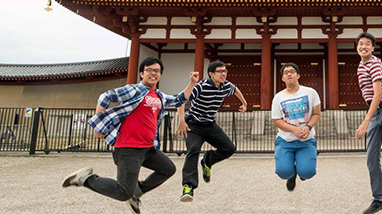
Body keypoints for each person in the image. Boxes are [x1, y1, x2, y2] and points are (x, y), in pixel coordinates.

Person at [62, 56, 200, 214]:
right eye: (149, 70)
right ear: (141, 73)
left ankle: (136, 193)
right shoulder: (135, 90)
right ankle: (85, 179)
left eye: (157, 71)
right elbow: (106, 96)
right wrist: (99, 124)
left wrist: (192, 83)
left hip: (148, 149)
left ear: (160, 74)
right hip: (129, 148)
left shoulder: (159, 96)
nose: (153, 73)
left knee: (168, 169)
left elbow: (178, 100)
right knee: (123, 192)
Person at [178, 60, 248, 202]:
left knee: (229, 148)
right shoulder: (201, 87)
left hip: (210, 124)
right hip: (194, 124)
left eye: (225, 71)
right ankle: (188, 187)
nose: (224, 74)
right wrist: (181, 121)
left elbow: (235, 89)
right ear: (211, 74)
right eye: (220, 72)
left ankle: (207, 161)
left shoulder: (226, 86)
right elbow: (181, 99)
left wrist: (244, 103)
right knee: (193, 149)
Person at [355, 32, 382, 214]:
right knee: (371, 157)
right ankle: (380, 198)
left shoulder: (374, 62)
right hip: (374, 112)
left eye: (367, 44)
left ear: (373, 48)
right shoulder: (360, 66)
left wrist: (366, 120)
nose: (363, 46)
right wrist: (370, 117)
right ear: (356, 47)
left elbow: (378, 94)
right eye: (360, 44)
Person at [271, 62, 321, 191]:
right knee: (283, 172)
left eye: (292, 71)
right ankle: (292, 174)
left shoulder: (311, 92)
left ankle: (302, 168)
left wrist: (308, 127)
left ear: (298, 75)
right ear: (282, 78)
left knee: (307, 173)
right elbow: (276, 120)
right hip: (285, 140)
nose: (289, 74)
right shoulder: (278, 97)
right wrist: (294, 129)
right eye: (285, 72)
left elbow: (316, 113)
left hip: (306, 139)